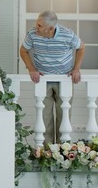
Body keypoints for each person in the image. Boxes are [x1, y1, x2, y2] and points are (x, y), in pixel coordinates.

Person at [19, 10, 85, 145]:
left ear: (50, 28)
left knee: (63, 117)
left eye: (39, 26)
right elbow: (23, 50)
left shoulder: (67, 34)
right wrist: (31, 68)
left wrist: (76, 69)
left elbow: (81, 48)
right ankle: (47, 154)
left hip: (64, 80)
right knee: (44, 118)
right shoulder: (32, 34)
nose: (35, 27)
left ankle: (62, 153)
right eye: (37, 24)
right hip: (43, 80)